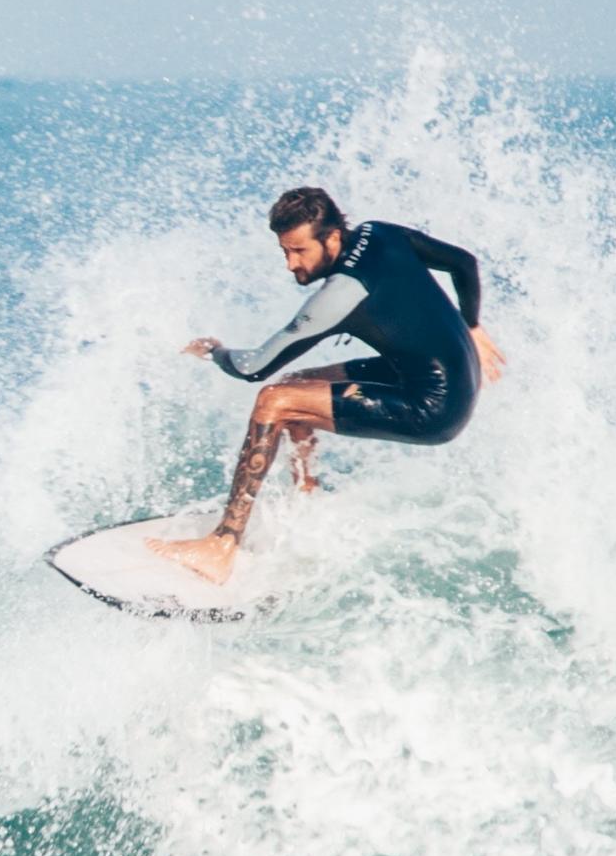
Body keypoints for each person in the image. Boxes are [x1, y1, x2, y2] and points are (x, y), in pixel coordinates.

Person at [147, 185, 504, 583]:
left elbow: (254, 367)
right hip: (453, 375)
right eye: (284, 250)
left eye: (299, 251)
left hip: (434, 408)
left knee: (273, 400)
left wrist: (215, 351)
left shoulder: (341, 294)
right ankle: (306, 495)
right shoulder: (379, 233)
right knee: (296, 387)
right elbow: (463, 263)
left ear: (331, 238)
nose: (289, 264)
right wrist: (472, 325)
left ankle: (221, 546)